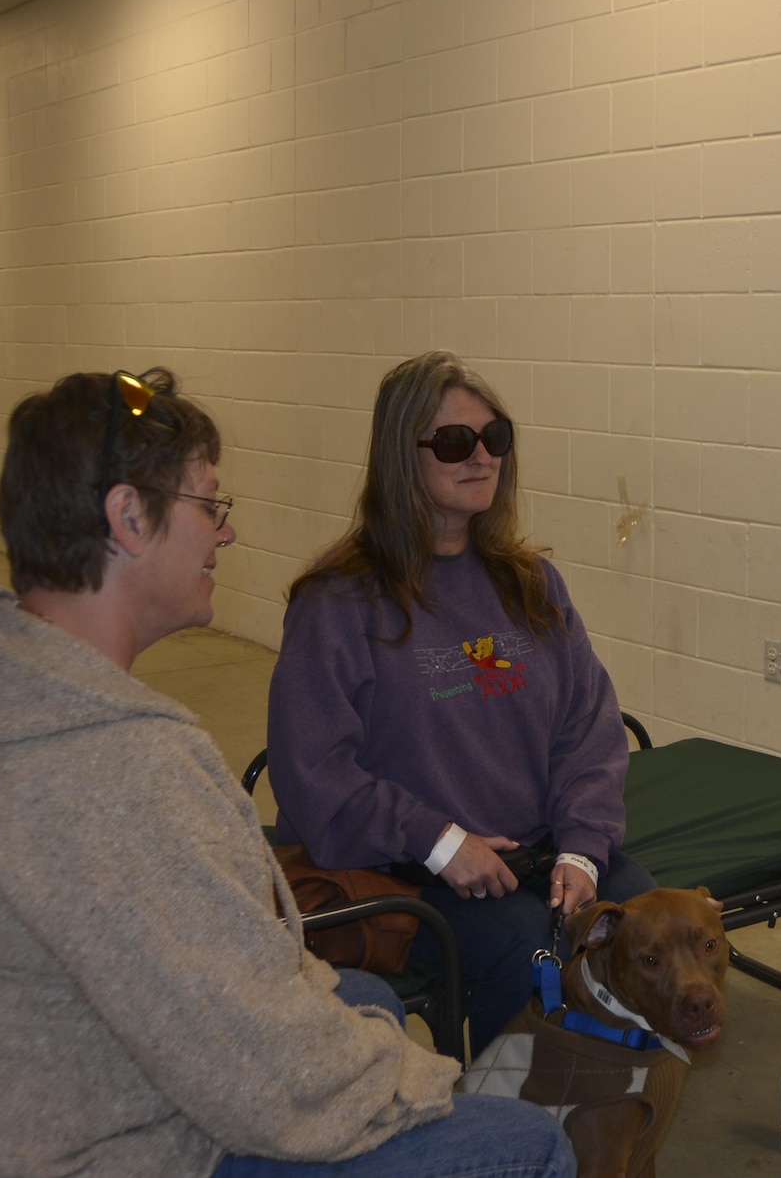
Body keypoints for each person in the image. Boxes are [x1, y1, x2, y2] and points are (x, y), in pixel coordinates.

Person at [0, 367, 574, 1178]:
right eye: (209, 505)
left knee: (366, 1002)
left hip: (17, 1107)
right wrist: (430, 1084)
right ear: (127, 518)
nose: (226, 534)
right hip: (98, 1148)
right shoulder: (106, 769)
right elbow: (265, 1073)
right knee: (529, 1141)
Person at [267, 350, 654, 1054]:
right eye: (454, 441)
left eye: (494, 437)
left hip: (538, 855)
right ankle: (520, 1140)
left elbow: (589, 729)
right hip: (413, 872)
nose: (481, 457)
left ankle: (614, 1119)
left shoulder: (531, 583)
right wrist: (443, 842)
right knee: (526, 949)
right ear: (400, 457)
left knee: (647, 927)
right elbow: (313, 771)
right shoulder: (339, 601)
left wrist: (582, 852)